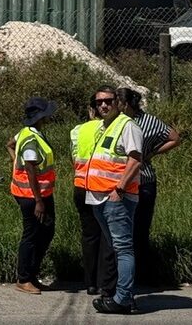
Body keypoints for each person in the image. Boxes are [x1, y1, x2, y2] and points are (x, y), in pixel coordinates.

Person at [85, 86, 143, 315]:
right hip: (99, 198)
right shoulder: (103, 127)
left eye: (108, 101)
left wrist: (119, 188)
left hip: (116, 197)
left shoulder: (127, 126)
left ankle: (124, 299)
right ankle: (120, 295)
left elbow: (135, 160)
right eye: (99, 102)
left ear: (118, 102)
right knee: (117, 249)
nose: (103, 106)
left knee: (123, 248)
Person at [118, 87, 181, 285]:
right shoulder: (121, 122)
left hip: (141, 181)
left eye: (118, 104)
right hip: (122, 182)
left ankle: (141, 275)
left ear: (126, 105)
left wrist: (153, 153)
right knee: (127, 232)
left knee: (139, 232)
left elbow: (175, 138)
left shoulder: (145, 122)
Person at [7, 97, 58, 294]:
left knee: (46, 231)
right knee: (31, 234)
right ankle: (24, 278)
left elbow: (9, 144)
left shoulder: (26, 133)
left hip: (41, 193)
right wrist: (38, 201)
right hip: (30, 195)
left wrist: (14, 162)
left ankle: (32, 274)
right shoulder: (30, 139)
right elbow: (30, 169)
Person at [71, 94, 108, 295]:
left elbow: (74, 157)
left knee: (89, 234)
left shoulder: (77, 131)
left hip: (80, 185)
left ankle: (90, 282)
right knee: (105, 234)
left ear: (89, 110)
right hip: (101, 185)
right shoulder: (108, 128)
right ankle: (103, 281)